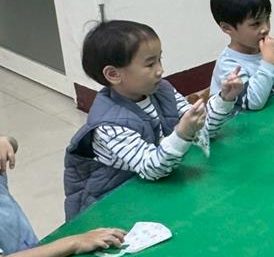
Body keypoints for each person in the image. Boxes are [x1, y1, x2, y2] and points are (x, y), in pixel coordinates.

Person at [64, 20, 244, 219]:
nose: (160, 70)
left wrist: (224, 99)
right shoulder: (109, 125)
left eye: (160, 60)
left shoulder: (161, 90)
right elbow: (152, 169)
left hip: (154, 187)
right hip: (114, 204)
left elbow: (201, 130)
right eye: (150, 64)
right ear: (114, 74)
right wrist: (182, 134)